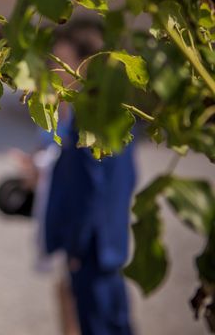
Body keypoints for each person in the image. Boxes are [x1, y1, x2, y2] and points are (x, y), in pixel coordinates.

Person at [44, 20, 136, 335]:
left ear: (83, 66)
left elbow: (90, 191)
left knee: (100, 325)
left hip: (92, 251)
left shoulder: (89, 117)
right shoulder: (112, 110)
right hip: (108, 243)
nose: (53, 69)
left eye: (60, 61)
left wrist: (75, 247)